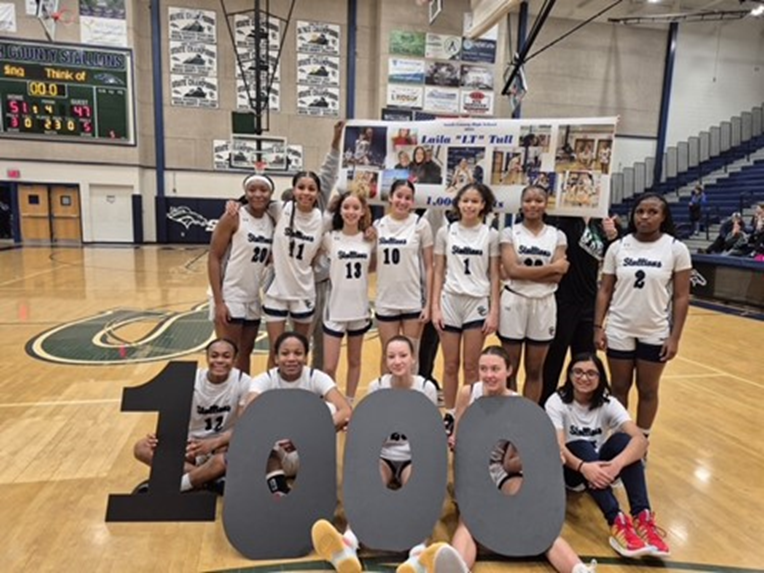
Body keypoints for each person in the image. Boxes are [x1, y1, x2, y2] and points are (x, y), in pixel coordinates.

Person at [447, 346, 596, 573]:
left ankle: (579, 569)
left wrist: (543, 457)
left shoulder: (520, 405)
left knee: (537, 519)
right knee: (468, 521)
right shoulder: (467, 394)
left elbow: (510, 463)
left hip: (501, 469)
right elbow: (458, 442)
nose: (489, 375)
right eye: (483, 369)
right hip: (472, 471)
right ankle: (457, 569)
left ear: (509, 370)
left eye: (495, 369)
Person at [311, 336, 449, 573]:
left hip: (412, 457)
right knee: (369, 486)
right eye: (392, 356)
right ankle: (347, 545)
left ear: (413, 358)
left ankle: (418, 553)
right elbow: (371, 428)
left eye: (403, 355)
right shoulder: (378, 386)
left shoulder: (426, 388)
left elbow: (431, 430)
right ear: (385, 360)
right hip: (385, 455)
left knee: (419, 492)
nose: (397, 361)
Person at [545, 353, 670, 559]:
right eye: (578, 372)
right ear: (569, 375)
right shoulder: (556, 402)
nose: (584, 378)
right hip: (570, 469)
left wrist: (615, 465)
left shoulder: (608, 402)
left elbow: (641, 440)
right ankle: (617, 521)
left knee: (624, 441)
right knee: (582, 446)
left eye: (591, 373)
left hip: (600, 470)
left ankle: (642, 517)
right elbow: (559, 448)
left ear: (600, 378)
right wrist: (584, 467)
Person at [594, 192, 691, 442]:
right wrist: (598, 326)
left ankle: (642, 443)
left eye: (652, 212)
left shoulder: (675, 249)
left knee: (648, 390)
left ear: (663, 217)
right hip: (619, 327)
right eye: (640, 212)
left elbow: (681, 296)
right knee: (619, 388)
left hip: (654, 329)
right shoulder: (618, 247)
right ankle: (619, 442)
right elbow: (605, 290)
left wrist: (675, 337)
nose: (645, 217)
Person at [131, 338, 251, 494]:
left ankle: (179, 484)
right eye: (214, 356)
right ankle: (208, 479)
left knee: (226, 458)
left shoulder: (244, 382)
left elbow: (245, 426)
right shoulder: (190, 379)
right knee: (142, 448)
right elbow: (173, 415)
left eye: (226, 356)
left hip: (222, 444)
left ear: (235, 359)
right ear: (207, 357)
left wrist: (215, 443)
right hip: (192, 443)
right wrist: (160, 436)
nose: (220, 360)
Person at [243, 331, 352, 496]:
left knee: (329, 409)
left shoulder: (316, 377)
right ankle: (278, 490)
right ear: (276, 358)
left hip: (308, 450)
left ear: (306, 357)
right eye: (285, 353)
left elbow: (345, 411)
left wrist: (304, 436)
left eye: (298, 353)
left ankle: (317, 486)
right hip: (277, 452)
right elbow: (248, 413)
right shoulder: (264, 380)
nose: (291, 358)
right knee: (256, 420)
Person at [432, 182, 500, 434]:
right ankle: (450, 413)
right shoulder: (445, 232)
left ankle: (468, 415)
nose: (470, 205)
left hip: (477, 302)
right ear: (458, 203)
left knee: (472, 366)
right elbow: (438, 271)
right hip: (450, 300)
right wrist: (435, 306)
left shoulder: (490, 235)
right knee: (450, 365)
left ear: (484, 205)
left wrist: (494, 311)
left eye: (475, 201)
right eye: (466, 200)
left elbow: (494, 275)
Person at [498, 184, 569, 402]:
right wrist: (551, 268)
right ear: (521, 204)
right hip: (514, 300)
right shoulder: (509, 233)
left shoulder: (557, 235)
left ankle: (528, 417)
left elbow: (559, 277)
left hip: (544, 302)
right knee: (509, 368)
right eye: (528, 200)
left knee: (535, 369)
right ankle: (508, 415)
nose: (533, 204)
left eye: (538, 200)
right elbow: (511, 270)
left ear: (546, 204)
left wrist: (523, 272)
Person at [541, 215, 619, 406]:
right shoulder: (561, 221)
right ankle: (545, 407)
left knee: (586, 359)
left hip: (589, 302)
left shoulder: (600, 224)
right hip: (563, 300)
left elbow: (610, 260)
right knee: (554, 359)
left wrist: (613, 237)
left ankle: (584, 408)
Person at [208, 173, 275, 374]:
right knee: (227, 353)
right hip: (230, 295)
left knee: (246, 352)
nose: (257, 194)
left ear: (271, 193)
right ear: (245, 192)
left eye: (263, 190)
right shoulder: (233, 216)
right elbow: (214, 257)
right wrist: (219, 302)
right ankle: (223, 399)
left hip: (253, 296)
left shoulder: (272, 219)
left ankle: (242, 397)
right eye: (252, 190)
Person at [374, 180, 434, 375]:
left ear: (413, 202)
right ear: (391, 197)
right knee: (387, 355)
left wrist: (428, 304)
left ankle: (411, 401)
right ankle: (386, 400)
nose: (402, 201)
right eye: (399, 196)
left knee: (411, 356)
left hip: (412, 301)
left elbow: (429, 266)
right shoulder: (378, 226)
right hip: (386, 299)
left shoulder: (421, 224)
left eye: (408, 198)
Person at [321, 192, 375, 403]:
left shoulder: (370, 239)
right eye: (346, 207)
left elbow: (373, 266)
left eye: (355, 208)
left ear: (362, 211)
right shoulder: (329, 237)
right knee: (329, 366)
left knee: (354, 360)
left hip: (359, 309)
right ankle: (332, 405)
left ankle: (350, 402)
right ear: (340, 210)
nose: (351, 212)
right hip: (335, 309)